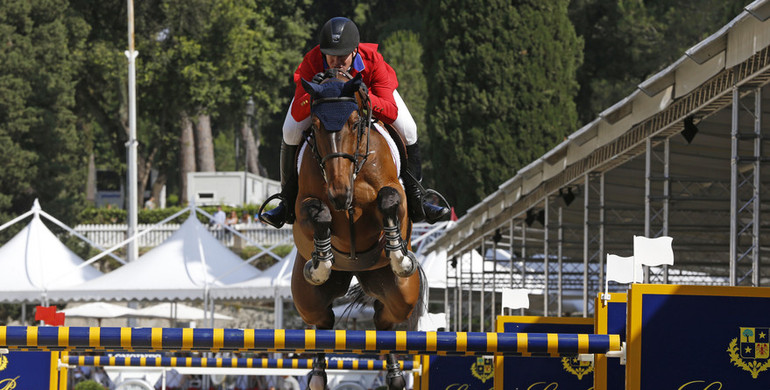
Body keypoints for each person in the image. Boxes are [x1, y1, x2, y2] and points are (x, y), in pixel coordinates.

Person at [260, 16, 449, 228]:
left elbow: (389, 108)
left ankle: (417, 199)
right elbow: (297, 111)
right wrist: (315, 95)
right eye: (330, 56)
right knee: (290, 130)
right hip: (324, 106)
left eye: (342, 56)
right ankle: (286, 201)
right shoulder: (312, 61)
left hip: (370, 97)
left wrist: (363, 97)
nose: (336, 62)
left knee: (409, 129)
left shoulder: (372, 60)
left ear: (354, 52)